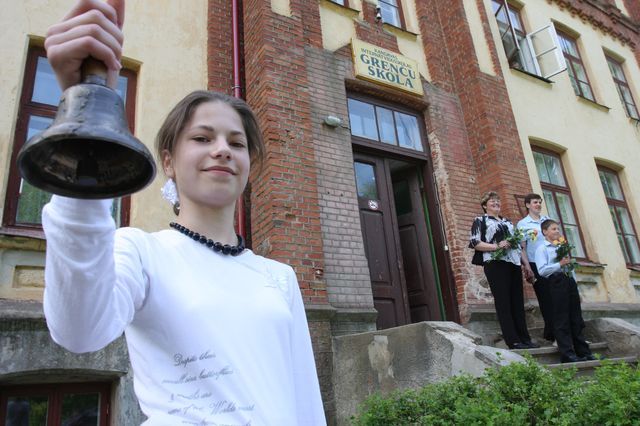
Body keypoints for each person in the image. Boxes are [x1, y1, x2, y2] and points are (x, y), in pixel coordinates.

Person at [40, 1, 326, 424]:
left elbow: (305, 404)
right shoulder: (141, 252)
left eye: (236, 143)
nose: (222, 150)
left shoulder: (279, 278)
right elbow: (79, 330)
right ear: (169, 161)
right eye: (202, 138)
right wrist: (85, 114)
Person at [469, 191, 538, 350]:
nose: (496, 203)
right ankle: (513, 340)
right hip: (495, 263)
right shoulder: (480, 220)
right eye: (492, 201)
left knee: (517, 301)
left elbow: (518, 246)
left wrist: (526, 265)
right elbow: (475, 242)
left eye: (497, 201)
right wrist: (496, 246)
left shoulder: (508, 222)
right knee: (503, 302)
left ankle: (525, 339)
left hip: (513, 263)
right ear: (485, 205)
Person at [535, 219, 595, 363]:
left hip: (569, 281)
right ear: (545, 232)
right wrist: (559, 264)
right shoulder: (542, 249)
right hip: (556, 282)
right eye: (553, 229)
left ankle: (583, 352)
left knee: (576, 318)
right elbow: (542, 270)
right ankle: (567, 354)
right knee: (561, 319)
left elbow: (569, 267)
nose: (557, 231)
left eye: (558, 229)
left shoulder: (561, 246)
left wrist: (576, 286)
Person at [517, 193, 554, 343]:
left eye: (539, 202)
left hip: (553, 262)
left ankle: (562, 331)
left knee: (558, 296)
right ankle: (552, 333)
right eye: (534, 202)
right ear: (527, 205)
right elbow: (522, 248)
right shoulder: (523, 224)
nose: (538, 205)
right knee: (545, 298)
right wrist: (527, 267)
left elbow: (557, 239)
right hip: (535, 264)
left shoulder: (547, 220)